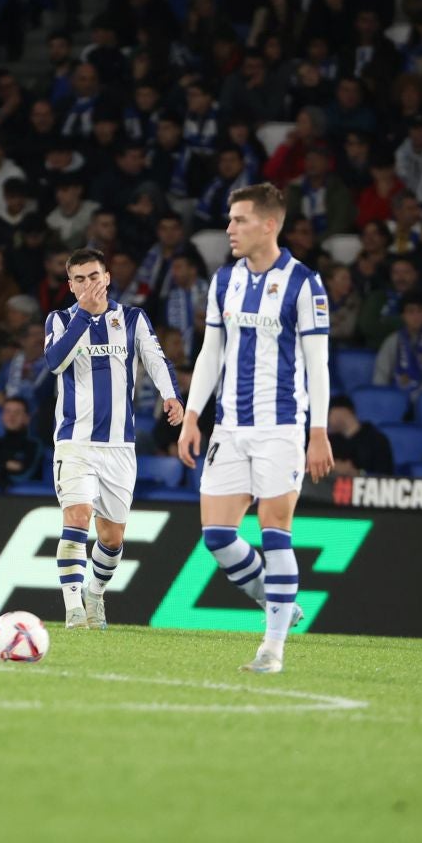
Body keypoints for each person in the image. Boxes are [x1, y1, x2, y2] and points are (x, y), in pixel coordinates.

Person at [176, 182, 333, 674]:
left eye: (240, 219)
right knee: (218, 537)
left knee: (276, 534)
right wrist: (193, 415)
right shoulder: (224, 280)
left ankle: (272, 648)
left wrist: (318, 431)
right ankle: (279, 604)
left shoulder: (305, 284)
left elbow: (318, 362)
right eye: (229, 219)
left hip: (281, 428)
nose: (230, 228)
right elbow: (210, 352)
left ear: (270, 224)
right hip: (229, 427)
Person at [41, 248, 183, 628]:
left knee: (113, 538)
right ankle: (73, 610)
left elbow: (156, 358)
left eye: (94, 276)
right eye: (80, 279)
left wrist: (171, 395)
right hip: (75, 442)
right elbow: (55, 362)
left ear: (107, 278)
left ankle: (95, 594)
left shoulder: (132, 318)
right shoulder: (59, 320)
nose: (89, 284)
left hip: (120, 446)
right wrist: (84, 316)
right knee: (76, 518)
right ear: (70, 286)